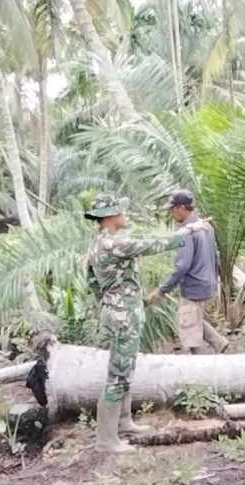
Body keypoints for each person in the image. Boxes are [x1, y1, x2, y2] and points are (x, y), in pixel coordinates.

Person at [84, 193, 212, 454]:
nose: (124, 213)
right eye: (120, 210)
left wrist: (109, 301)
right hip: (123, 317)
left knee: (126, 367)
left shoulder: (98, 244)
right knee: (118, 373)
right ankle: (106, 439)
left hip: (122, 313)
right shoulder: (110, 245)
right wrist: (189, 229)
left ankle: (123, 421)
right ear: (109, 216)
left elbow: (92, 282)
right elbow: (150, 244)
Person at [148, 190, 230, 354]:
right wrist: (213, 280)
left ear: (181, 208)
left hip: (193, 287)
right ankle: (218, 341)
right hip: (207, 284)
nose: (171, 214)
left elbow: (182, 266)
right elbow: (215, 256)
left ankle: (200, 371)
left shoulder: (186, 232)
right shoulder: (206, 227)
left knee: (190, 334)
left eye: (172, 209)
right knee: (190, 318)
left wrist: (162, 289)